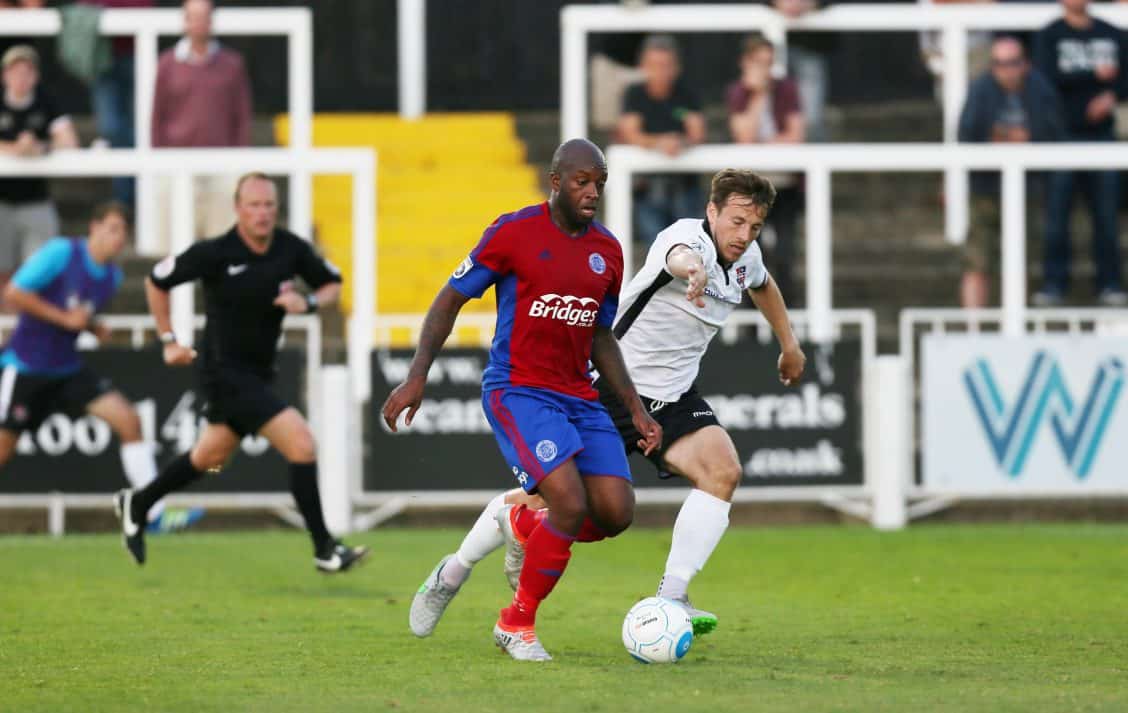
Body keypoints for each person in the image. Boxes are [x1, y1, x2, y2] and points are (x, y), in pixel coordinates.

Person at [409, 169, 806, 641]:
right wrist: (694, 271)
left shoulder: (747, 257)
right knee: (550, 503)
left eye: (754, 227)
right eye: (736, 221)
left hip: (675, 397)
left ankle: (672, 596)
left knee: (723, 473)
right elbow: (679, 259)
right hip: (613, 391)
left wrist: (789, 343)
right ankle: (453, 571)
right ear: (713, 211)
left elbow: (762, 284)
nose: (744, 235)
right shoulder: (681, 240)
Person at [383, 139, 662, 662]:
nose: (592, 192)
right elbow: (450, 298)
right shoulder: (513, 233)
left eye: (599, 182)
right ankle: (516, 623)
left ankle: (519, 524)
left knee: (616, 513)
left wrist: (635, 406)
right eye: (582, 181)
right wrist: (416, 375)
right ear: (555, 182)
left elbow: (602, 335)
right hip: (519, 389)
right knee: (569, 501)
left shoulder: (609, 251)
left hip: (580, 394)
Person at [114, 173, 369, 573]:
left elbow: (332, 284)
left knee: (209, 455)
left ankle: (140, 502)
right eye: (254, 205)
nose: (263, 213)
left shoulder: (289, 248)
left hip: (259, 372)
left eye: (269, 205)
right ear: (237, 209)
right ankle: (325, 548)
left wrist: (307, 302)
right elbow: (157, 280)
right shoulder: (216, 252)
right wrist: (168, 338)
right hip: (221, 372)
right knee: (302, 444)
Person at [0, 203, 174, 524]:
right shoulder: (62, 253)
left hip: (67, 371)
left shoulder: (112, 276)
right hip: (26, 368)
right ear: (93, 227)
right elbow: (15, 293)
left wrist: (92, 326)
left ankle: (154, 514)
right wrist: (66, 319)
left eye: (123, 231)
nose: (118, 237)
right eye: (112, 228)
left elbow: (77, 314)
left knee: (129, 421)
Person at [957, 35, 1065, 308]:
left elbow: (1053, 133)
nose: (1006, 70)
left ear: (1025, 64)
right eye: (999, 63)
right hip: (985, 189)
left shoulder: (1040, 89)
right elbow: (967, 134)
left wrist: (1021, 137)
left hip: (1027, 190)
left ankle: (1015, 331)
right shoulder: (980, 89)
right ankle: (973, 329)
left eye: (1012, 63)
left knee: (1019, 262)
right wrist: (1008, 136)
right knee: (977, 261)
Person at [1033, 0, 1128, 306]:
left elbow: (1126, 76)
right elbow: (1044, 80)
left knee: (1106, 215)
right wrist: (1093, 76)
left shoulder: (1112, 33)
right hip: (1063, 137)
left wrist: (1111, 95)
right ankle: (1054, 283)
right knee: (1057, 216)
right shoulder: (1049, 35)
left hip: (1102, 138)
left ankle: (1110, 283)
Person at [152, 0, 252, 245]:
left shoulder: (232, 64)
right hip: (176, 164)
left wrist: (238, 160)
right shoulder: (167, 64)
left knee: (222, 244)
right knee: (175, 246)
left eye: (204, 16)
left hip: (221, 166)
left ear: (212, 21)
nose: (199, 23)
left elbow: (242, 115)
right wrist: (159, 161)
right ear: (184, 21)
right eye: (193, 16)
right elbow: (157, 116)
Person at [726, 33, 806, 305]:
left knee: (784, 253)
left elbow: (796, 136)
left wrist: (765, 144)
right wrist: (758, 94)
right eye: (759, 63)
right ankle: (750, 325)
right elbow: (744, 137)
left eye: (768, 63)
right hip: (752, 190)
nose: (765, 70)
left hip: (785, 186)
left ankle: (787, 315)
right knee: (748, 256)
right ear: (745, 63)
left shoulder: (787, 88)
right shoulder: (739, 93)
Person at [0, 45, 80, 293]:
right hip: (1, 200)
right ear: (5, 75)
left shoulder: (47, 100)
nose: (21, 78)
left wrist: (39, 147)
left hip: (36, 199)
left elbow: (69, 141)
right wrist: (14, 149)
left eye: (27, 71)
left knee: (38, 274)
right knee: (3, 272)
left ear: (35, 76)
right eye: (15, 71)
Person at [617, 34, 706, 246]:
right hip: (649, 188)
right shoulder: (635, 94)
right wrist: (660, 143)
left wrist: (680, 143)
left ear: (676, 67)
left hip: (685, 188)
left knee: (691, 249)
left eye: (666, 65)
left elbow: (698, 132)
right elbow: (630, 132)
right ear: (643, 66)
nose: (661, 71)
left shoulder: (687, 94)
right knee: (656, 252)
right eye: (655, 65)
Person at [81, 0, 156, 209]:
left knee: (141, 131)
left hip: (137, 52)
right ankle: (126, 201)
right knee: (111, 128)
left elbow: (143, 7)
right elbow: (85, 7)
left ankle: (138, 199)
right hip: (102, 55)